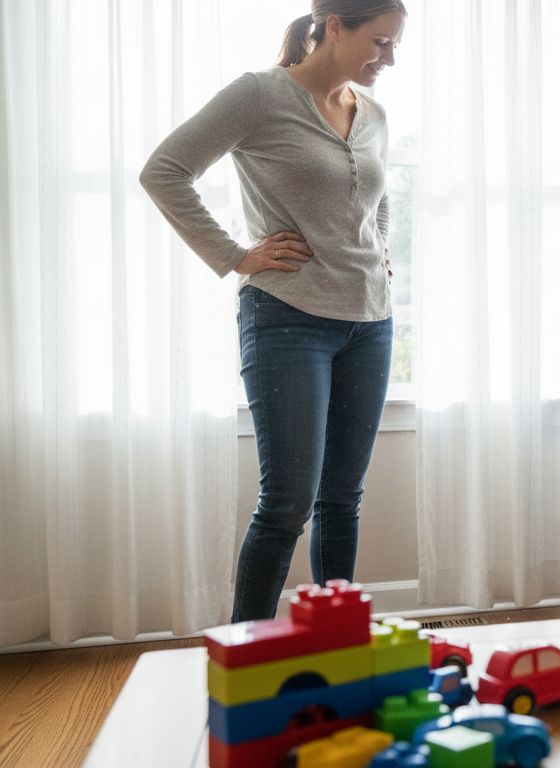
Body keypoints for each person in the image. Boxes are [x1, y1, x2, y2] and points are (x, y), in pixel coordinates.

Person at [139, 1, 407, 621]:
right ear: (334, 26)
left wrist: (380, 249)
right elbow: (165, 171)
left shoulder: (374, 115)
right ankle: (244, 657)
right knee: (288, 502)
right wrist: (235, 256)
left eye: (395, 46)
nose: (389, 59)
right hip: (287, 316)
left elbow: (379, 196)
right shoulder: (259, 96)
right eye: (382, 42)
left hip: (371, 320)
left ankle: (337, 646)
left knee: (342, 499)